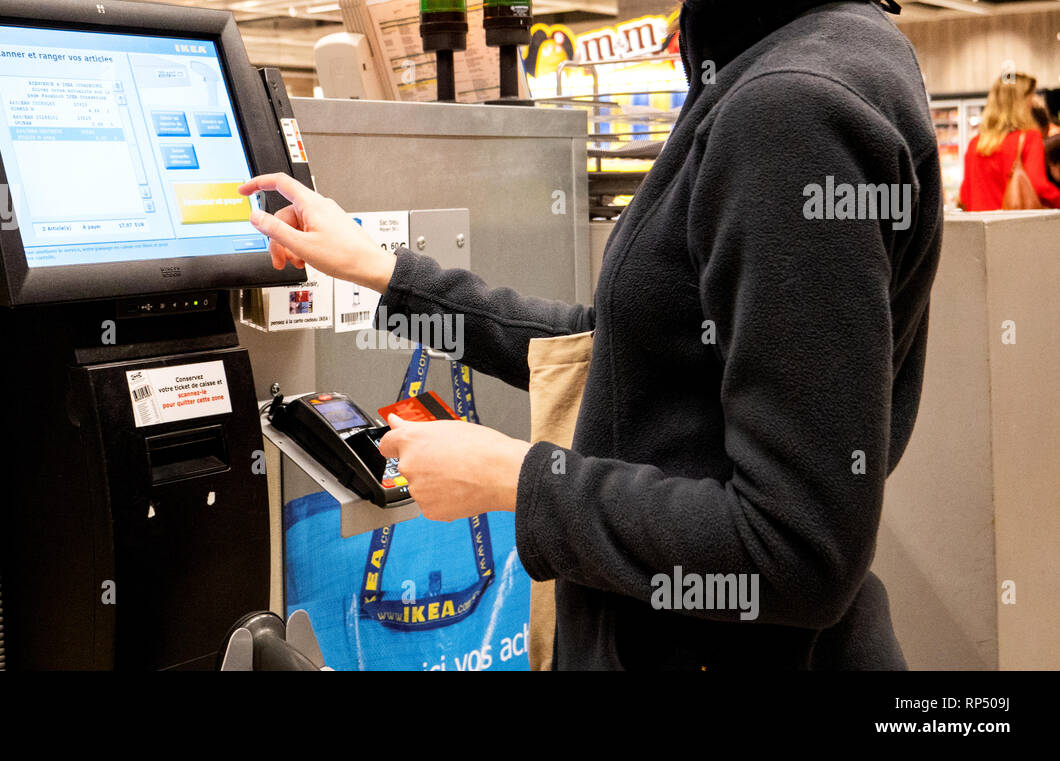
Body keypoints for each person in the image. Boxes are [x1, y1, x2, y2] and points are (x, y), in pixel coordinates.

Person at [240, 0, 942, 670]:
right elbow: (630, 351)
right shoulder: (816, 52)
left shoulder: (788, 107)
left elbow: (795, 551)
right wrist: (387, 273)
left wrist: (513, 478)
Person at [959, 73, 1060, 210]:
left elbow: (965, 196)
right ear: (1022, 103)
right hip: (1013, 226)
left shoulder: (975, 144)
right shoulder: (1029, 138)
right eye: (1030, 99)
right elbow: (1038, 185)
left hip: (980, 227)